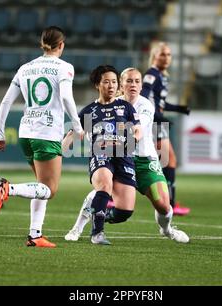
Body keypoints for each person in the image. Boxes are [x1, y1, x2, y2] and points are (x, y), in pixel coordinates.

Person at [65, 68, 189, 244]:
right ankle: (78, 228)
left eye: (137, 81)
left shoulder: (145, 105)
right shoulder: (107, 103)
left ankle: (167, 229)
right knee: (102, 187)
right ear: (121, 85)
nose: (134, 85)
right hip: (117, 157)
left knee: (163, 203)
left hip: (144, 160)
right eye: (129, 81)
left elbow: (137, 128)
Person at [0, 26, 84, 248]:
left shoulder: (25, 68)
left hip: (26, 133)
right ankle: (8, 188)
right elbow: (66, 98)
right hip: (46, 134)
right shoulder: (64, 67)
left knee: (40, 186)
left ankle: (35, 236)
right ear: (61, 45)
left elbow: (6, 101)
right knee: (49, 190)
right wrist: (78, 125)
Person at [62, 65, 142, 245]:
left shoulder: (126, 107)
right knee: (105, 184)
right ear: (98, 85)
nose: (111, 86)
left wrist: (132, 140)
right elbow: (72, 134)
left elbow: (138, 130)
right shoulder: (89, 111)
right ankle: (97, 234)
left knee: (125, 212)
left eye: (114, 82)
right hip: (101, 153)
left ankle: (93, 211)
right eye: (106, 82)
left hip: (123, 155)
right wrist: (59, 152)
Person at [141, 42, 191, 216]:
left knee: (163, 161)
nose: (166, 58)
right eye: (163, 54)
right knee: (168, 160)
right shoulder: (151, 75)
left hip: (157, 121)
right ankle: (170, 203)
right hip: (153, 123)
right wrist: (158, 117)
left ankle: (170, 201)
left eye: (169, 54)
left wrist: (179, 109)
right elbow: (144, 99)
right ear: (154, 56)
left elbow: (160, 103)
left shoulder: (162, 76)